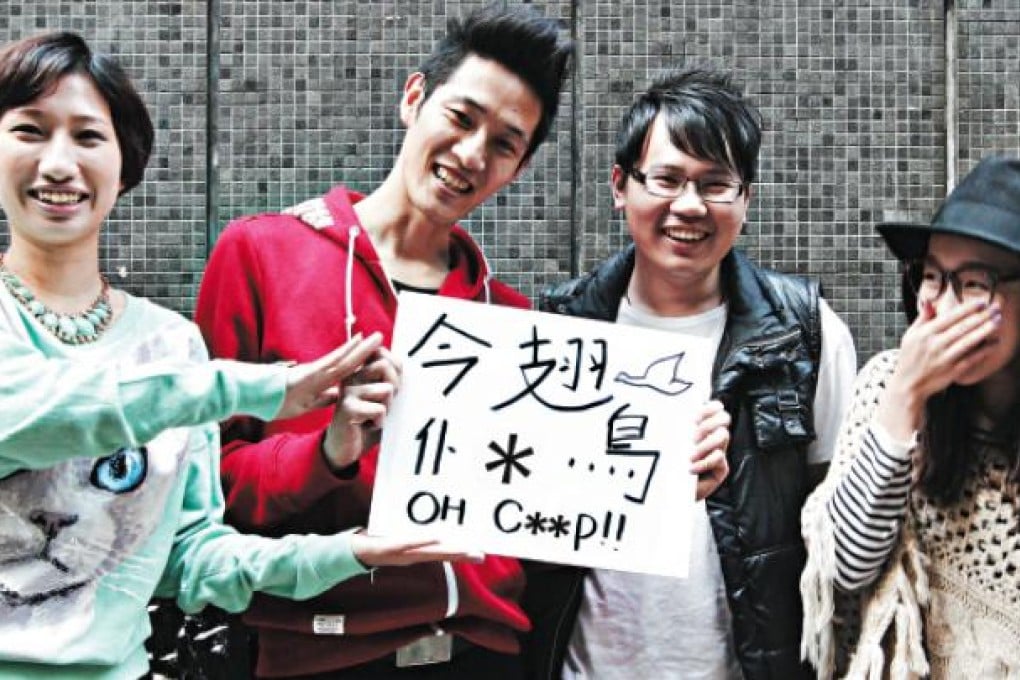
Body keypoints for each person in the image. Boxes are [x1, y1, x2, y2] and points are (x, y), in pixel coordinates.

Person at [0, 31, 477, 679]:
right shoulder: (198, 378)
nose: (59, 163)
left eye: (88, 137)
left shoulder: (172, 345)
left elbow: (191, 559)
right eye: (30, 130)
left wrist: (349, 553)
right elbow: (39, 417)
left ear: (123, 162)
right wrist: (251, 389)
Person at [193, 3, 573, 678]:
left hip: (482, 656)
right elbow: (208, 488)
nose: (471, 155)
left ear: (517, 168)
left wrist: (658, 478)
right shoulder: (261, 253)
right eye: (461, 118)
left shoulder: (510, 321)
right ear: (413, 97)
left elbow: (547, 515)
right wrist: (327, 451)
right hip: (322, 651)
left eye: (505, 144)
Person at [522, 66, 858, 679]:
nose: (689, 206)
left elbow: (840, 525)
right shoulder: (558, 325)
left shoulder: (807, 332)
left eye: (715, 184)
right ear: (620, 186)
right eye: (667, 179)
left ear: (746, 198)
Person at [800, 155, 1020, 679]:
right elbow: (846, 568)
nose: (942, 306)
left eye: (974, 282)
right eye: (932, 276)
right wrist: (905, 395)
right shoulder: (887, 382)